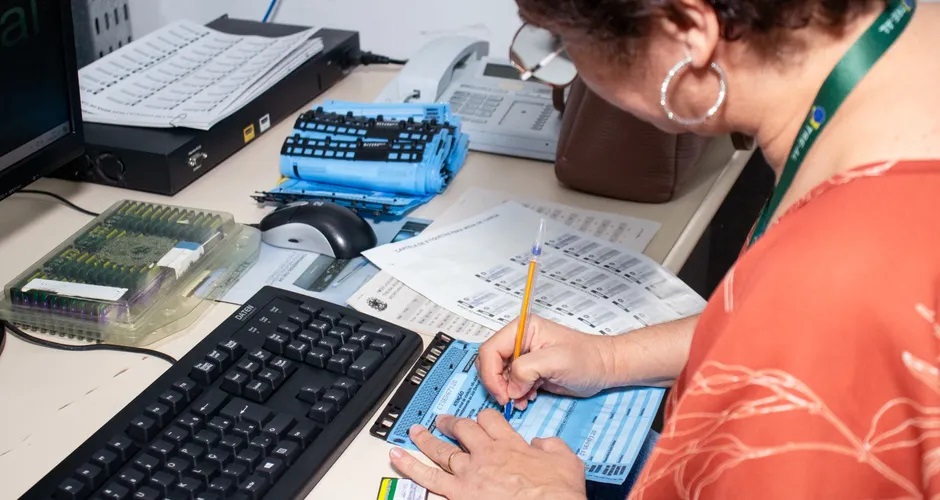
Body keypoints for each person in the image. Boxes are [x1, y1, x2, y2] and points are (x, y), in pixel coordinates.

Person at [388, 0, 940, 497]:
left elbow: (815, 325)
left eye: (566, 50)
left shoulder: (834, 277)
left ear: (686, 30)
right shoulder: (904, 49)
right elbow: (777, 332)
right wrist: (611, 357)